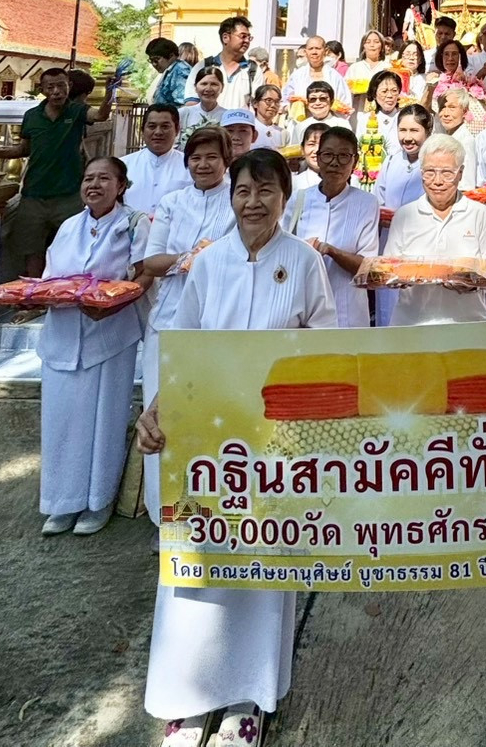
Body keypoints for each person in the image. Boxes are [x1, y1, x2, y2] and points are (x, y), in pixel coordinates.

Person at [137, 148, 336, 745]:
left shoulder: (303, 263)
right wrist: (157, 409)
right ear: (232, 196)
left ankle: (249, 698)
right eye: (244, 191)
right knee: (197, 564)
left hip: (275, 442)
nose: (253, 202)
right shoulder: (208, 263)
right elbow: (185, 349)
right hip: (206, 439)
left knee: (262, 563)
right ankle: (189, 697)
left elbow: (322, 349)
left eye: (266, 191)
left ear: (284, 197)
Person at [39, 156, 149, 537]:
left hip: (109, 337)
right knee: (61, 422)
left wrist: (109, 300)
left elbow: (139, 275)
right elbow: (49, 276)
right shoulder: (69, 226)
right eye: (89, 178)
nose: (95, 185)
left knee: (104, 422)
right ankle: (60, 502)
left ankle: (98, 502)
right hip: (63, 334)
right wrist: (45, 294)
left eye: (105, 178)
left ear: (121, 186)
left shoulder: (134, 225)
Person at [133, 125, 236, 529]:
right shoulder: (173, 202)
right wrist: (191, 257)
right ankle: (165, 517)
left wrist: (206, 259)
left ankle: (218, 509)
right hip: (170, 319)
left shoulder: (236, 201)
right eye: (196, 157)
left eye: (212, 156)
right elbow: (151, 261)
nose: (203, 164)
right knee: (163, 418)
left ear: (226, 160)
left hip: (221, 321)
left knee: (213, 416)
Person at [0, 65, 115, 278]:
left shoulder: (76, 111)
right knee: (31, 250)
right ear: (42, 90)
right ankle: (34, 296)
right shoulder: (32, 116)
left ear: (69, 86)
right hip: (34, 194)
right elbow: (23, 149)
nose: (57, 91)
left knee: (73, 247)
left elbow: (101, 115)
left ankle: (66, 290)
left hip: (68, 194)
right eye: (51, 87)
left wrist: (109, 94)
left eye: (61, 85)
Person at [382, 133, 486, 325]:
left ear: (460, 173)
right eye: (430, 172)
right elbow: (390, 267)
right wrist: (401, 277)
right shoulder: (405, 215)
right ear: (421, 172)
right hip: (412, 324)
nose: (437, 181)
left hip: (467, 324)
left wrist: (469, 282)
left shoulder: (480, 214)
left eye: (447, 173)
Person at [284, 126, 378, 327]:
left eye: (344, 156)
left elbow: (367, 267)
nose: (335, 163)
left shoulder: (366, 203)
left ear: (355, 161)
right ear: (317, 158)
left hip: (348, 312)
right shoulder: (298, 199)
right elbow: (282, 251)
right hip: (303, 309)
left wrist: (332, 251)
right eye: (327, 155)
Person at [373, 103, 433, 326]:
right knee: (387, 309)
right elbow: (377, 198)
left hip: (421, 246)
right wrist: (381, 214)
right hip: (388, 242)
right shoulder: (390, 161)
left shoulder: (433, 163)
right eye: (403, 130)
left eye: (414, 131)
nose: (408, 138)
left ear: (427, 132)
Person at [123, 104, 192, 215]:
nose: (158, 132)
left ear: (177, 130)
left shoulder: (190, 166)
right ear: (142, 130)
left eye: (165, 126)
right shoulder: (123, 165)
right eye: (152, 126)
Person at [188, 15, 256, 108]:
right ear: (225, 38)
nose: (247, 41)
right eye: (243, 36)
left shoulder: (253, 70)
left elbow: (257, 106)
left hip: (239, 122)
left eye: (249, 37)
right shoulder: (204, 66)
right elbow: (191, 104)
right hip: (210, 122)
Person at [283, 34, 353, 110]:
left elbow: (345, 103)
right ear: (306, 52)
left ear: (326, 51)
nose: (314, 52)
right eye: (310, 49)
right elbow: (285, 101)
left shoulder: (335, 77)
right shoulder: (297, 76)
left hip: (329, 120)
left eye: (318, 48)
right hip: (301, 120)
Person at [435, 86, 478, 190]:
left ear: (465, 112)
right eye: (442, 108)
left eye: (452, 107)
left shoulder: (465, 142)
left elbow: (467, 185)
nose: (445, 114)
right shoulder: (443, 135)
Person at [356, 69, 403, 155]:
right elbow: (359, 147)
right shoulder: (365, 119)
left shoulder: (404, 118)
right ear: (374, 94)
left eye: (394, 91)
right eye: (384, 91)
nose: (390, 96)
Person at [176, 65, 225, 147]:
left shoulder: (227, 116)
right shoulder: (183, 113)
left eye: (214, 84)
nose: (208, 89)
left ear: (222, 87)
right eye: (204, 84)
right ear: (195, 87)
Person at [346, 30, 391, 103]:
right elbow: (346, 92)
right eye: (368, 42)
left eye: (376, 42)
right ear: (363, 46)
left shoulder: (388, 67)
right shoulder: (354, 68)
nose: (372, 45)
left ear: (382, 46)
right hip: (359, 110)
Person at [146, 38, 190, 107]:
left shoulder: (181, 72)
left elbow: (182, 105)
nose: (154, 64)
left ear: (171, 56)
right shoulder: (170, 70)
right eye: (151, 60)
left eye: (156, 60)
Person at [290, 121, 327, 195]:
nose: (317, 150)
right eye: (311, 144)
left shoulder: (349, 183)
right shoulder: (292, 184)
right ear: (302, 149)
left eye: (323, 144)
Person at [252, 82, 289, 149]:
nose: (273, 105)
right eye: (268, 100)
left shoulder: (282, 133)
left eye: (277, 102)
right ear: (255, 103)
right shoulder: (248, 130)